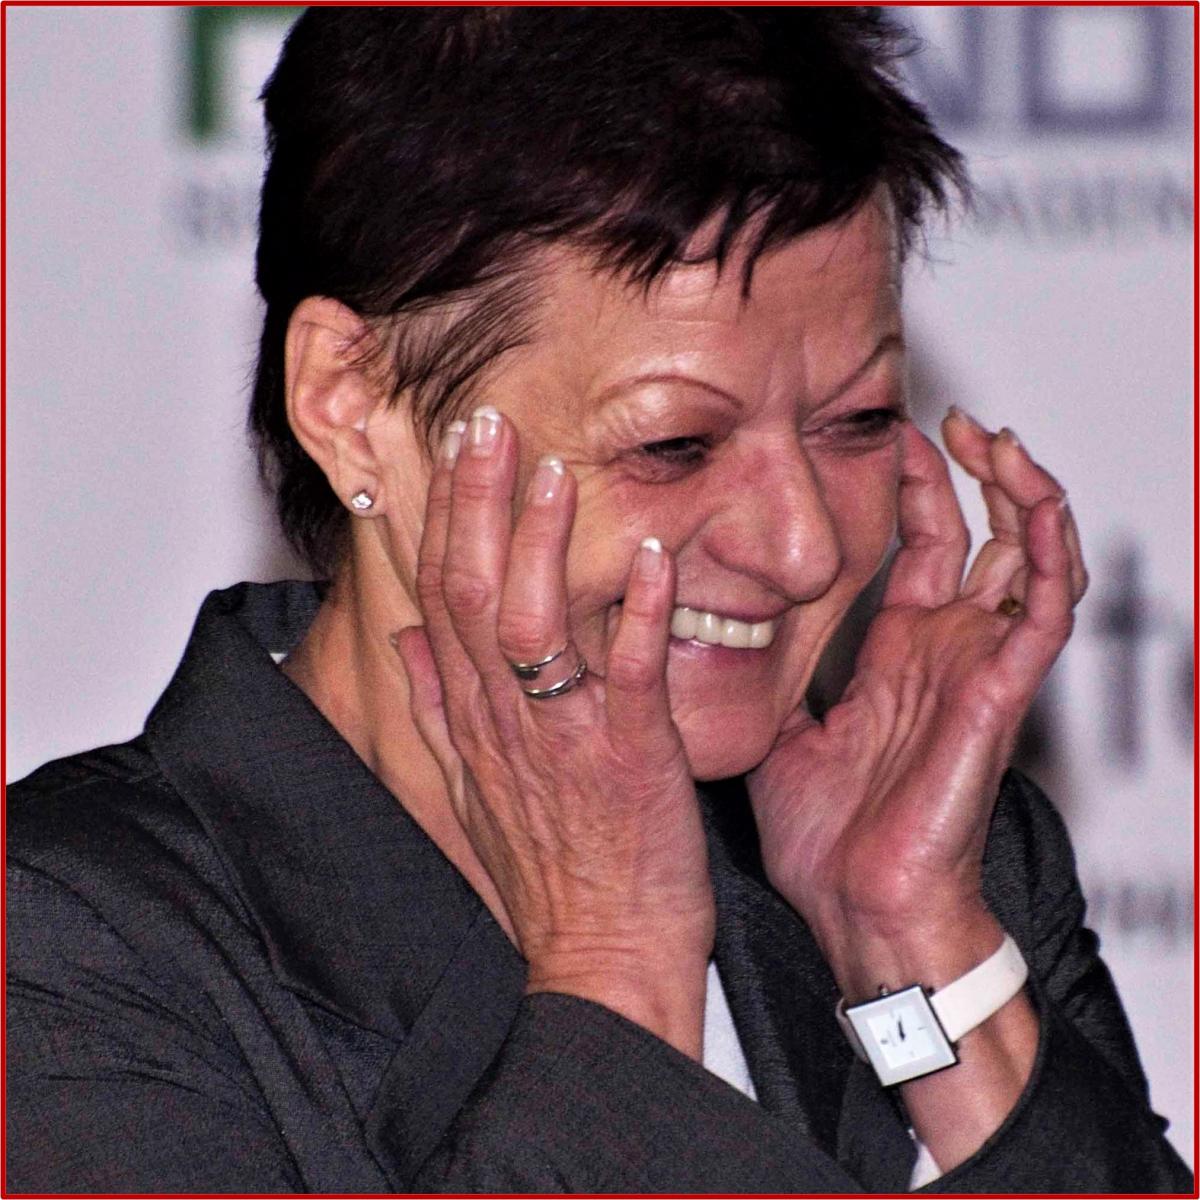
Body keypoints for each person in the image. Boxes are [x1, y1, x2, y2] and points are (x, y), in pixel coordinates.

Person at [7, 8, 1191, 1194]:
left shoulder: (944, 865)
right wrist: (615, 967)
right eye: (674, 445)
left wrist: (912, 950)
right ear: (353, 406)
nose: (802, 546)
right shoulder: (67, 949)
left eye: (859, 422)